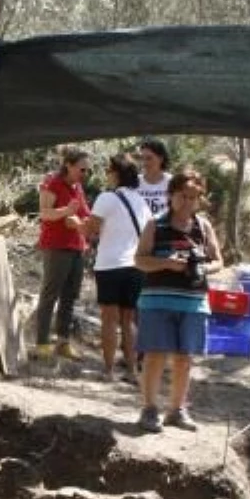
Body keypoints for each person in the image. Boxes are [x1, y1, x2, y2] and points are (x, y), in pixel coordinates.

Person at [134, 167, 223, 432]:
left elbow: (219, 260)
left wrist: (203, 268)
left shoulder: (203, 226)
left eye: (194, 197)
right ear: (171, 195)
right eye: (183, 196)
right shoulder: (155, 224)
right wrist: (166, 263)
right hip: (156, 301)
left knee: (185, 358)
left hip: (193, 302)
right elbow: (139, 260)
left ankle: (177, 410)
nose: (188, 202)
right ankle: (149, 410)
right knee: (154, 356)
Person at [89, 150, 149, 382]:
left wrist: (75, 223)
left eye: (109, 170)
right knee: (128, 319)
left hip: (110, 265)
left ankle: (109, 370)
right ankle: (133, 371)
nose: (106, 174)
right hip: (135, 266)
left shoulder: (106, 198)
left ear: (116, 174)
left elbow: (91, 229)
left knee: (109, 319)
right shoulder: (142, 202)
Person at [34, 146, 91, 361]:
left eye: (87, 171)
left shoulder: (78, 187)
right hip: (56, 246)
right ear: (68, 165)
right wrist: (66, 212)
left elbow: (85, 214)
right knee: (50, 295)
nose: (85, 174)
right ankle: (42, 343)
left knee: (70, 296)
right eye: (81, 169)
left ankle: (63, 342)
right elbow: (45, 213)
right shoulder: (52, 182)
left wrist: (84, 222)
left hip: (77, 246)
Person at [136, 139, 171, 221]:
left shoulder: (172, 182)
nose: (144, 163)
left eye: (149, 158)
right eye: (142, 158)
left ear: (161, 159)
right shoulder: (134, 182)